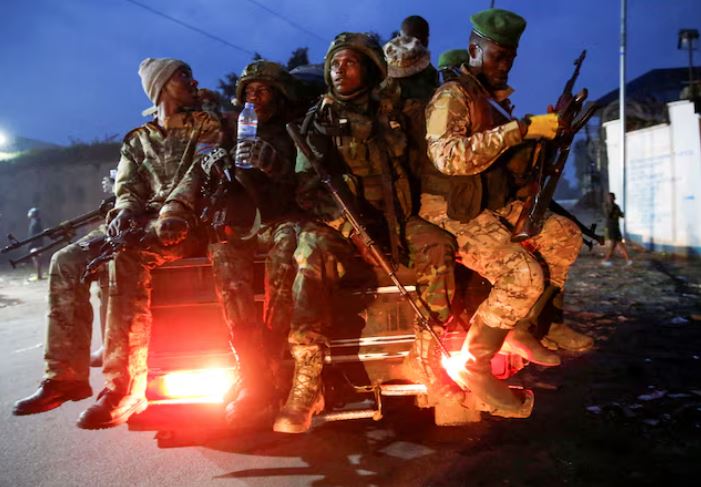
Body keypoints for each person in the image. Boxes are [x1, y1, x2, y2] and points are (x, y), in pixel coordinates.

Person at [275, 32, 458, 434]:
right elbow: (307, 192)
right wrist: (349, 228)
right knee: (309, 249)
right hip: (343, 224)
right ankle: (307, 383)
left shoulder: (395, 112)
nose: (340, 70)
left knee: (439, 246)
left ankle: (432, 357)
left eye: (350, 62)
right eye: (335, 64)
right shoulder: (317, 121)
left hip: (395, 219)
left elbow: (426, 161)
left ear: (369, 68)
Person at [422, 8, 590, 418]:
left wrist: (549, 133)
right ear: (474, 49)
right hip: (449, 209)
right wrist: (520, 130)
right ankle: (476, 366)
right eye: (497, 56)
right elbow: (448, 157)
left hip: (486, 200)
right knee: (522, 273)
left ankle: (527, 326)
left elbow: (507, 160)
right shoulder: (451, 96)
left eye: (510, 59)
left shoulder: (492, 102)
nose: (504, 65)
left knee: (564, 234)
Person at [76, 58, 221, 429]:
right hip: (147, 221)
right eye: (183, 75)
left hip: (191, 222)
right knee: (80, 258)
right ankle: (79, 377)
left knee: (127, 258)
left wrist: (172, 209)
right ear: (160, 86)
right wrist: (125, 209)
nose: (193, 80)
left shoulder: (206, 126)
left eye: (191, 73)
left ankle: (124, 385)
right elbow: (127, 187)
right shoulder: (137, 139)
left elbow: (203, 167)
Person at [207, 60, 302, 426]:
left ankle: (271, 366)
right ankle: (252, 369)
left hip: (282, 221)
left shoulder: (293, 132)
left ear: (278, 96)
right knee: (222, 254)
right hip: (245, 225)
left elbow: (303, 185)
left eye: (262, 91)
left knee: (286, 252)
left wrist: (276, 166)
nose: (254, 98)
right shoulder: (232, 132)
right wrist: (217, 164)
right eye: (248, 92)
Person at [13, 197, 110, 416]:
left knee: (122, 264)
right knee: (65, 261)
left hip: (182, 217)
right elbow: (129, 185)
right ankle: (66, 377)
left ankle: (123, 381)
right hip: (127, 220)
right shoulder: (135, 160)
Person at [601, 192, 632, 266]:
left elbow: (621, 215)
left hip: (616, 227)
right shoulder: (606, 206)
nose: (610, 199)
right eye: (609, 198)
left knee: (619, 244)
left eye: (612, 197)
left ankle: (628, 260)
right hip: (610, 227)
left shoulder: (617, 206)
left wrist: (623, 213)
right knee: (615, 245)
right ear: (607, 199)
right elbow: (608, 215)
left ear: (614, 198)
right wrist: (612, 206)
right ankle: (627, 260)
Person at [27, 208, 44, 280]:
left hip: (36, 245)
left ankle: (39, 276)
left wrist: (31, 245)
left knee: (37, 260)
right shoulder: (35, 222)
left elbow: (34, 235)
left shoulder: (35, 223)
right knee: (37, 260)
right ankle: (39, 275)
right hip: (37, 244)